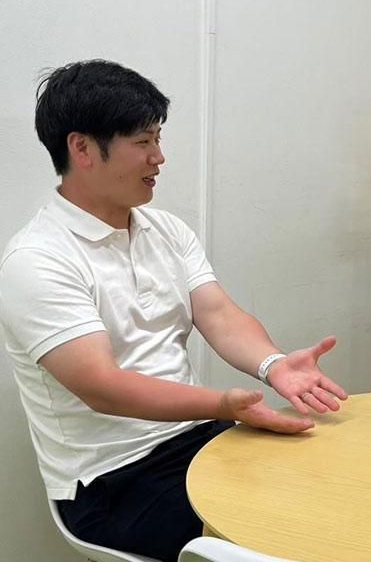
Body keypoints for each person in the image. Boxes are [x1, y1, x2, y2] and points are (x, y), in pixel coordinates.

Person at [0, 59, 348, 561]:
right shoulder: (37, 259)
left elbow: (220, 315)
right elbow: (102, 386)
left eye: (158, 139)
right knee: (279, 533)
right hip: (113, 479)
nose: (159, 157)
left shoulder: (165, 230)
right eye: (143, 142)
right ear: (82, 149)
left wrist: (273, 365)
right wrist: (221, 404)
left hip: (196, 439)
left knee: (330, 486)